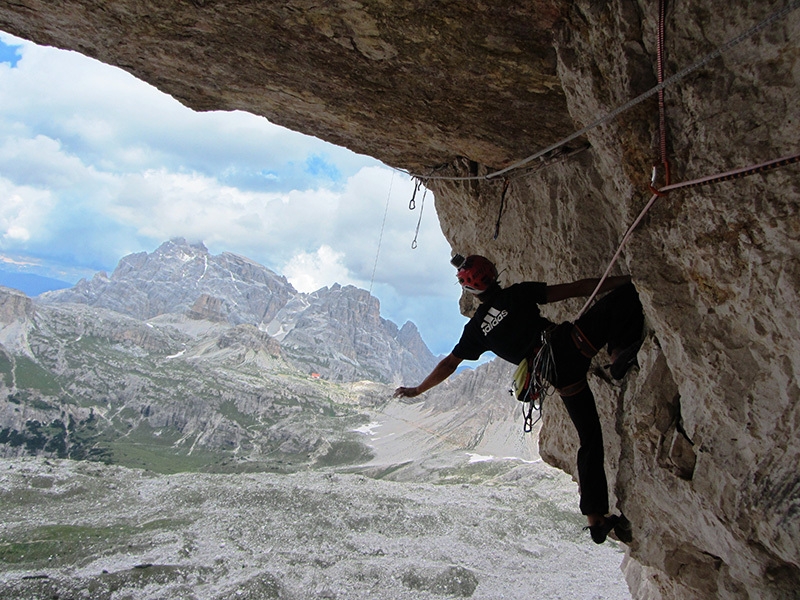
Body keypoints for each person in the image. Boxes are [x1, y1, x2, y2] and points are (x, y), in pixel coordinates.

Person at [393, 254, 644, 544]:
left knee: (590, 438)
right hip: (570, 345)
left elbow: (449, 363)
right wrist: (628, 279)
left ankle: (596, 518)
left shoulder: (476, 330)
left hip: (558, 375)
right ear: (494, 274)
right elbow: (576, 288)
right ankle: (618, 353)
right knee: (626, 298)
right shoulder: (517, 294)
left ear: (469, 290)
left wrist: (417, 390)